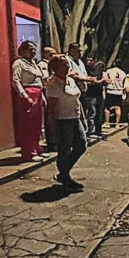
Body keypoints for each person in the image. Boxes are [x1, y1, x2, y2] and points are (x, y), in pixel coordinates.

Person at [45, 56, 86, 192]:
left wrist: (82, 118)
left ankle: (63, 172)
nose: (67, 66)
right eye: (63, 64)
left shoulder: (71, 80)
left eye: (67, 63)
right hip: (63, 119)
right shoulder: (52, 83)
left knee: (81, 144)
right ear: (55, 67)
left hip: (75, 117)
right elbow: (51, 107)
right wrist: (53, 127)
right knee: (65, 148)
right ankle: (65, 176)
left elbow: (77, 101)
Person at [12, 41, 47, 162]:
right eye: (30, 49)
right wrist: (25, 95)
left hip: (38, 93)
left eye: (34, 49)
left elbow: (40, 80)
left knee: (36, 124)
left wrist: (42, 96)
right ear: (23, 50)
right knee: (27, 124)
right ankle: (29, 152)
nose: (33, 51)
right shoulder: (19, 63)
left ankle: (36, 148)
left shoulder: (34, 63)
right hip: (28, 93)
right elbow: (16, 81)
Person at [85, 60, 107, 141]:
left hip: (99, 95)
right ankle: (91, 131)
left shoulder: (101, 74)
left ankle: (98, 130)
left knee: (99, 113)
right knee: (92, 113)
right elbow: (90, 82)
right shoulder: (88, 72)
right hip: (91, 95)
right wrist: (100, 81)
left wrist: (104, 82)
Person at [104, 60, 127, 127]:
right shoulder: (123, 73)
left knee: (107, 107)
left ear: (114, 63)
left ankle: (107, 123)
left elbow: (105, 80)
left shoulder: (109, 71)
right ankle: (117, 124)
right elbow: (124, 83)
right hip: (119, 91)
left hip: (110, 90)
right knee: (118, 107)